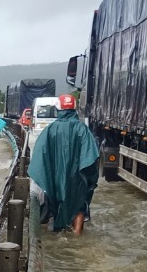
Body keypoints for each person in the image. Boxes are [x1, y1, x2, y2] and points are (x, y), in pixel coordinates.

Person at [27, 93, 99, 235]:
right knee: (79, 204)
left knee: (55, 201)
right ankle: (77, 236)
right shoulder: (82, 129)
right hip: (77, 177)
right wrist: (90, 178)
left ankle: (57, 229)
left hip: (55, 176)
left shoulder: (49, 130)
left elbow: (39, 156)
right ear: (74, 109)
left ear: (58, 109)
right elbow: (91, 156)